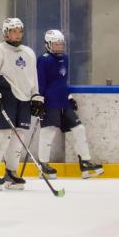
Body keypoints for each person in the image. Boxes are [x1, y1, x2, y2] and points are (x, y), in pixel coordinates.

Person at [0, 17, 42, 191]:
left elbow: (33, 77)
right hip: (5, 95)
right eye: (13, 31)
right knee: (2, 135)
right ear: (6, 32)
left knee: (19, 136)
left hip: (24, 98)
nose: (17, 34)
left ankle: (11, 172)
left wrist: (36, 96)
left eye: (19, 31)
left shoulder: (29, 53)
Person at [36, 29, 103, 179]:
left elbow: (62, 82)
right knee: (49, 131)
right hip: (49, 102)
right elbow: (40, 83)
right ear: (47, 44)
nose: (59, 47)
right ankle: (43, 165)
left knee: (79, 128)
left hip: (63, 101)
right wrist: (39, 101)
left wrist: (69, 96)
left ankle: (85, 162)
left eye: (61, 44)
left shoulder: (64, 58)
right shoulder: (44, 60)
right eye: (56, 44)